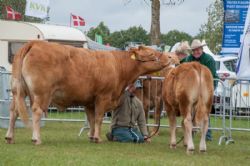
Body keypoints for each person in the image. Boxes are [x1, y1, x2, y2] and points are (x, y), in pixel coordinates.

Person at [182, 39, 219, 141]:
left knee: (205, 111)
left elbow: (213, 77)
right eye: (194, 50)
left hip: (206, 89)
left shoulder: (208, 59)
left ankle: (207, 135)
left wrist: (210, 91)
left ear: (202, 49)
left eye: (198, 49)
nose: (196, 52)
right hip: (192, 90)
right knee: (190, 112)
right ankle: (190, 133)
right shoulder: (188, 59)